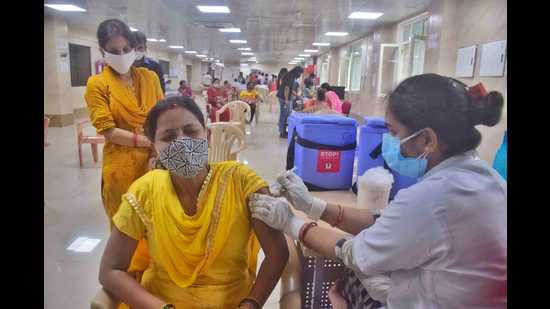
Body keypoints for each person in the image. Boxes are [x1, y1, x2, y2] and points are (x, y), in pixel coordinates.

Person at [250, 74, 507, 308]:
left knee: (354, 275)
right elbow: (388, 222)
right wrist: (313, 206)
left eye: (394, 133)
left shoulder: (435, 198)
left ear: (427, 139)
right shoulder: (488, 180)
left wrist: (292, 222)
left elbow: (352, 252)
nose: (391, 143)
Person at [99, 96, 289, 309]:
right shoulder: (145, 191)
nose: (182, 142)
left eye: (190, 132)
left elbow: (277, 253)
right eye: (169, 136)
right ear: (154, 147)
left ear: (207, 136)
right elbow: (110, 270)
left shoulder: (240, 181)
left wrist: (251, 304)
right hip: (160, 303)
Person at [85, 19, 164, 283]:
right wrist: (148, 142)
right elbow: (108, 130)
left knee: (156, 225)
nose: (121, 56)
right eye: (113, 51)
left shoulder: (150, 78)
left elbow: (162, 116)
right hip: (121, 170)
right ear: (102, 51)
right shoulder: (98, 84)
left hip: (155, 164)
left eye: (125, 49)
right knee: (127, 230)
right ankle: (130, 288)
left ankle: (155, 282)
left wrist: (158, 149)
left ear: (133, 47)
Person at [276, 67, 302, 138]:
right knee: (284, 115)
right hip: (284, 97)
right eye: (300, 73)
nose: (300, 75)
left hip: (284, 96)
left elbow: (290, 89)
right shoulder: (290, 76)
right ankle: (282, 132)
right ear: (297, 72)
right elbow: (286, 89)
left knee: (286, 114)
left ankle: (283, 131)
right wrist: (287, 100)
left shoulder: (290, 75)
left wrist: (297, 96)